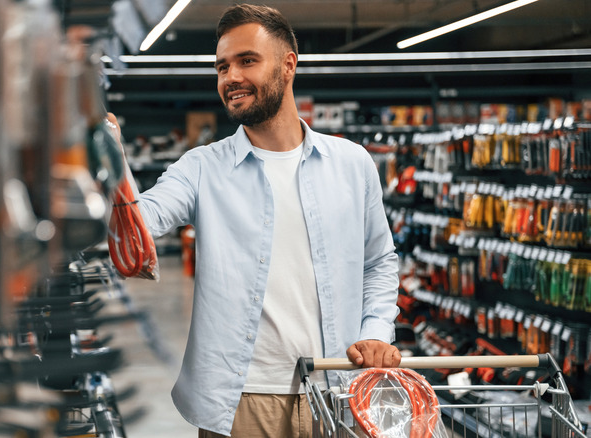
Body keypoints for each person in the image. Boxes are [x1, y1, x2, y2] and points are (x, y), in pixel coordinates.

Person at [113, 4, 401, 437]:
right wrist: (109, 161)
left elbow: (379, 261)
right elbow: (140, 224)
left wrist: (377, 331)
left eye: (247, 61)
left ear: (288, 66)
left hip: (339, 389)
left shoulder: (352, 163)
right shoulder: (202, 168)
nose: (231, 77)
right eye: (222, 66)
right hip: (241, 401)